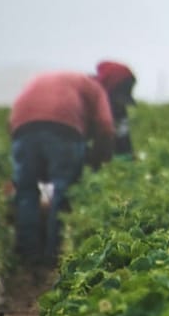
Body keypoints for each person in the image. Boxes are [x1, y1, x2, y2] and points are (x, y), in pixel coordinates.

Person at [8, 68, 118, 266]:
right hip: (64, 128)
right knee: (63, 190)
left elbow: (15, 120)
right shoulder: (95, 87)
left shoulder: (39, 78)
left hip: (22, 127)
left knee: (26, 191)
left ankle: (27, 253)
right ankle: (54, 254)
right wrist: (100, 160)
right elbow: (106, 127)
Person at [95, 60, 138, 159]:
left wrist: (128, 155)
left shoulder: (119, 110)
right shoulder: (90, 96)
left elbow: (122, 136)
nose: (119, 104)